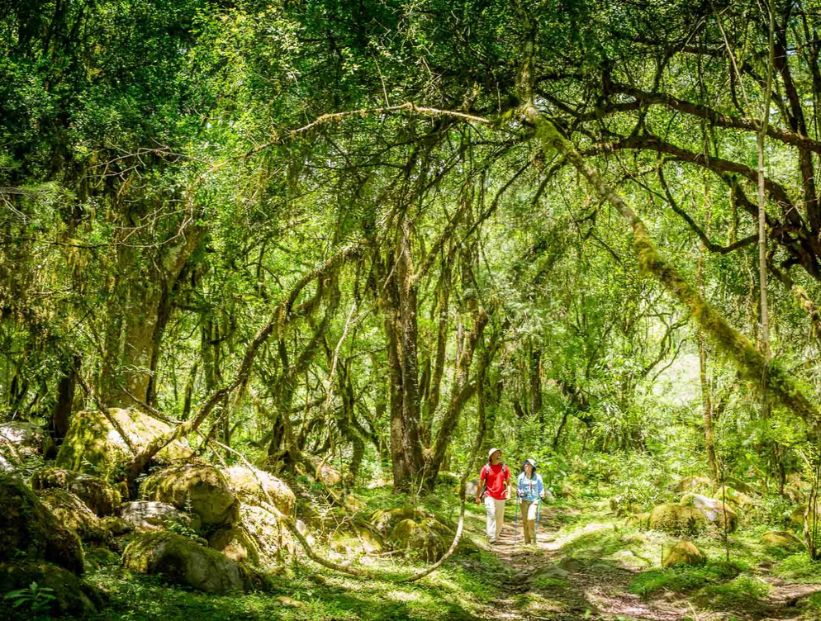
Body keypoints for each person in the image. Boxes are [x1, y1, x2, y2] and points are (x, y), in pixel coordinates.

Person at [475, 447, 511, 544]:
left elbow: (508, 482)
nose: (498, 455)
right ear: (491, 456)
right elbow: (480, 483)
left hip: (501, 496)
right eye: (495, 454)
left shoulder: (504, 468)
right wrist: (477, 497)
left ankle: (496, 535)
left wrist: (509, 493)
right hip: (489, 495)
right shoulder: (486, 468)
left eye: (499, 453)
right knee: (491, 514)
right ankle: (491, 537)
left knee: (499, 518)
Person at [517, 458, 545, 545]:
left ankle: (533, 539)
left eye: (528, 464)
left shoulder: (538, 477)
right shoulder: (521, 476)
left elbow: (541, 488)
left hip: (534, 501)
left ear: (532, 467)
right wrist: (519, 492)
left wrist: (542, 493)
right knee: (525, 521)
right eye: (525, 464)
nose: (526, 465)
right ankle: (527, 542)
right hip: (523, 501)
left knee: (531, 518)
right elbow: (519, 488)